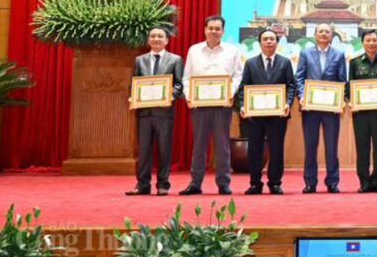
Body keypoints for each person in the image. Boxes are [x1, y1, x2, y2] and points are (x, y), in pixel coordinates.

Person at [179, 16, 243, 196]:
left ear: (223, 31)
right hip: (199, 105)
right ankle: (195, 183)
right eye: (211, 28)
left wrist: (230, 92)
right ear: (205, 30)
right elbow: (186, 77)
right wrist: (189, 96)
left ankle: (223, 183)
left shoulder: (232, 50)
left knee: (222, 145)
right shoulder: (194, 50)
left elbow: (238, 75)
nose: (214, 32)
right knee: (199, 145)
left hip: (222, 104)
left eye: (217, 29)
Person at [235, 28, 296, 195]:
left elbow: (291, 86)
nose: (269, 41)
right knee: (255, 149)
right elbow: (243, 88)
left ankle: (275, 183)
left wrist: (287, 103)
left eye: (272, 39)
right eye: (265, 39)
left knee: (276, 150)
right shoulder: (250, 63)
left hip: (278, 114)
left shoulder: (285, 62)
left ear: (277, 42)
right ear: (260, 43)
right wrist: (243, 105)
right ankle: (255, 183)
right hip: (256, 115)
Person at [126, 26, 183, 196]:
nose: (156, 39)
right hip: (144, 113)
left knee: (164, 150)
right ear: (148, 40)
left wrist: (170, 97)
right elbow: (134, 83)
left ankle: (162, 185)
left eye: (160, 36)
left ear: (166, 40)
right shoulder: (139, 60)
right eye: (153, 36)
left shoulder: (175, 60)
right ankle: (142, 184)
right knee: (143, 151)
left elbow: (179, 84)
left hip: (164, 113)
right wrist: (132, 97)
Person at [296, 23, 347, 194]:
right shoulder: (305, 53)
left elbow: (342, 80)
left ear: (331, 35)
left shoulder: (339, 54)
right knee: (310, 146)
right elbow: (299, 78)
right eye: (321, 31)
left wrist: (340, 99)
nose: (324, 34)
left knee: (331, 147)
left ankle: (332, 182)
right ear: (315, 34)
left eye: (327, 31)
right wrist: (302, 96)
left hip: (331, 109)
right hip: (310, 108)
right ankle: (310, 182)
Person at [346, 29, 377, 193]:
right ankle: (364, 182)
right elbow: (349, 85)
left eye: (374, 40)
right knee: (362, 148)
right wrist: (350, 100)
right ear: (362, 42)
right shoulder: (354, 63)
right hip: (360, 112)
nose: (371, 43)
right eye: (368, 40)